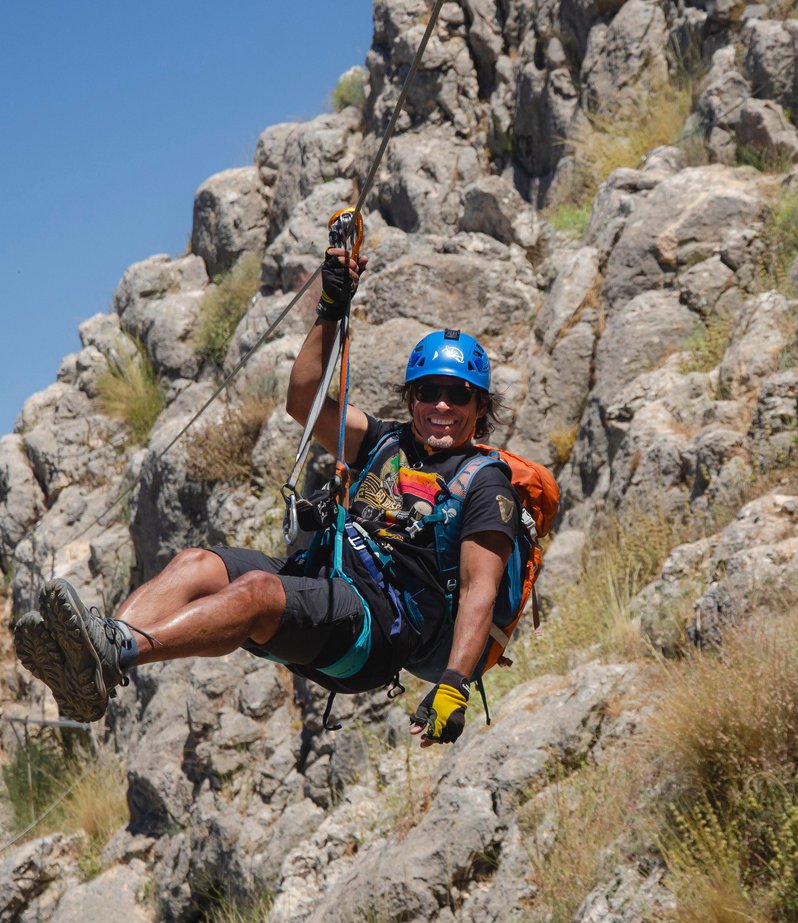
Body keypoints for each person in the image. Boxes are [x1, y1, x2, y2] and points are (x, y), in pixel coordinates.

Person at [15, 247, 515, 747]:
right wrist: (331, 307)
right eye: (428, 392)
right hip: (325, 579)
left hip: (377, 629)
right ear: (412, 398)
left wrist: (453, 685)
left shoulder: (483, 480)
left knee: (254, 593)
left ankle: (116, 650)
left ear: (481, 405)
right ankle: (94, 660)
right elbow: (303, 399)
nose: (441, 405)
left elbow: (479, 589)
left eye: (459, 394)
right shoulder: (385, 441)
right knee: (197, 564)